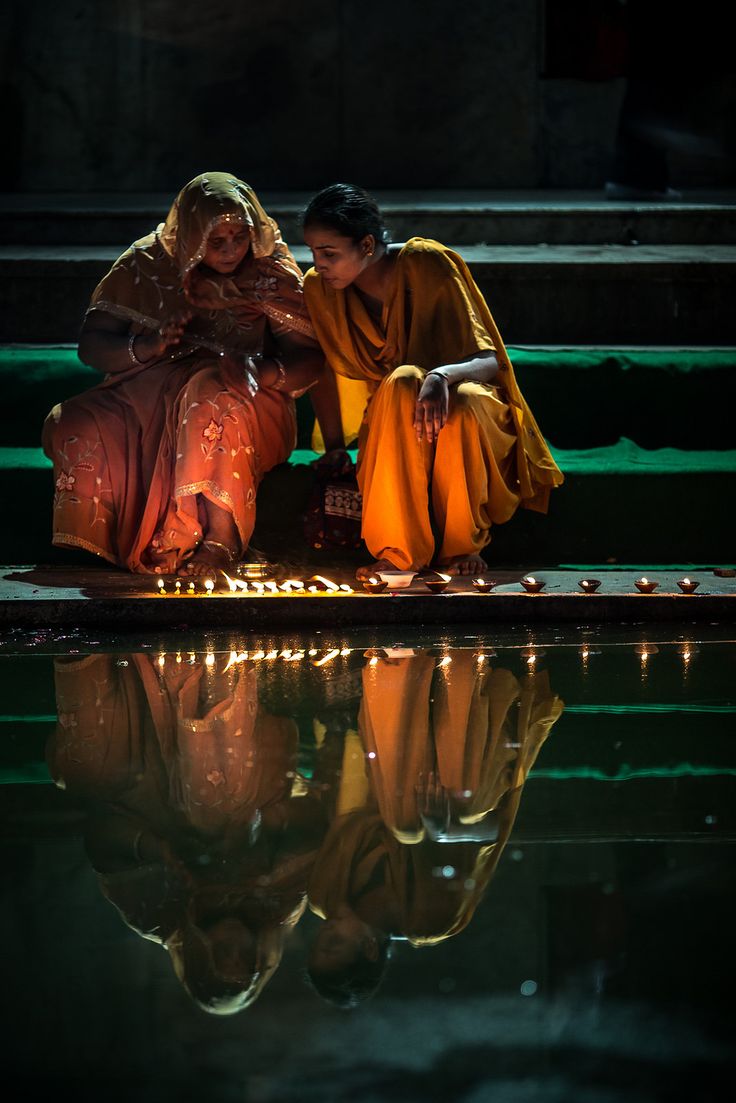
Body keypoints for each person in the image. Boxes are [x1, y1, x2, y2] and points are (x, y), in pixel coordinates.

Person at [42, 172, 330, 576]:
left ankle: (220, 539)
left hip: (247, 398)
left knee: (208, 395)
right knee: (76, 420)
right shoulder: (148, 262)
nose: (231, 250)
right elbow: (92, 345)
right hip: (147, 389)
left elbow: (309, 357)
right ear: (192, 236)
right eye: (216, 241)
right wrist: (150, 345)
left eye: (240, 237)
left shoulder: (269, 271)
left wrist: (259, 371)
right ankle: (110, 542)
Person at [302, 184, 564, 579]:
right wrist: (336, 446)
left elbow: (490, 358)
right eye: (314, 253)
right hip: (395, 419)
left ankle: (462, 547)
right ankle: (399, 552)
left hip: (465, 408)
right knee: (403, 380)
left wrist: (442, 376)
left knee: (468, 402)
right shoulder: (320, 290)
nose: (319, 264)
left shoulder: (427, 263)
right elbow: (324, 368)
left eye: (329, 253)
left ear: (367, 244)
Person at [46, 650, 329, 1014]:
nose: (232, 945)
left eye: (220, 954)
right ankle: (208, 656)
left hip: (142, 786)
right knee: (211, 801)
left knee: (85, 772)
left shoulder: (155, 917)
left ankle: (89, 639)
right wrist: (254, 836)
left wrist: (159, 849)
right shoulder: (280, 907)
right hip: (238, 782)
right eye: (240, 955)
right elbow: (306, 820)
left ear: (197, 957)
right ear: (258, 955)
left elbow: (103, 834)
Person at [305, 648, 564, 1007]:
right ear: (368, 947)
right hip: (459, 790)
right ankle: (463, 666)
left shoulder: (324, 896)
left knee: (405, 826)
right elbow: (491, 833)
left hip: (387, 777)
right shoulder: (430, 922)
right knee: (448, 809)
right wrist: (443, 828)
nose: (325, 930)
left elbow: (347, 812)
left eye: (318, 941)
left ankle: (399, 664)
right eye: (333, 943)